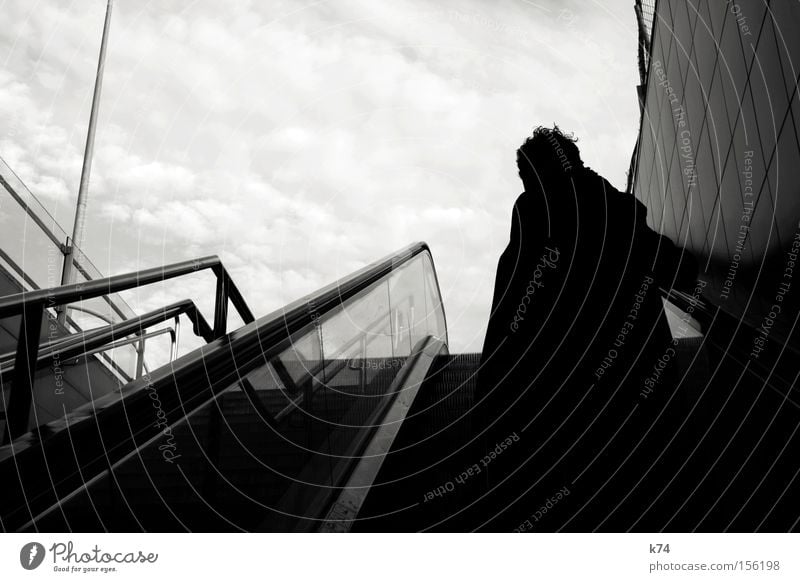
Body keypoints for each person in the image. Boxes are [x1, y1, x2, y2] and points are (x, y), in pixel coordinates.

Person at [470, 126, 698, 531]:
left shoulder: (532, 217)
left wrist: (487, 401)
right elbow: (671, 265)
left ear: (535, 174)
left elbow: (508, 316)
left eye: (525, 176)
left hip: (553, 402)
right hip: (634, 386)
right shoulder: (616, 208)